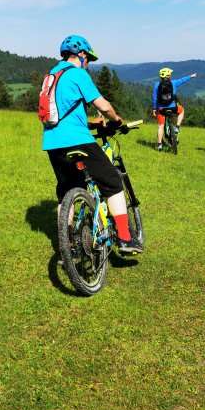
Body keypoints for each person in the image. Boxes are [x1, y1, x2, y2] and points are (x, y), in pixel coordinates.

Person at [42, 34, 142, 254]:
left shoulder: (51, 76)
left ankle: (67, 246)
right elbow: (103, 105)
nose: (88, 63)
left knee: (67, 191)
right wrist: (116, 120)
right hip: (78, 140)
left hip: (52, 142)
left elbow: (58, 113)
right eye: (88, 59)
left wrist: (88, 122)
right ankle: (125, 238)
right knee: (112, 181)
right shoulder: (77, 73)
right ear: (81, 54)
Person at [151, 68, 197, 151]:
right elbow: (182, 80)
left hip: (161, 109)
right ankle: (177, 127)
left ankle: (159, 145)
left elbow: (154, 98)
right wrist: (191, 76)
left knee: (161, 126)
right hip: (173, 107)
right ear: (168, 76)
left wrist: (154, 109)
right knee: (182, 110)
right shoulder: (173, 83)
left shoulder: (156, 85)